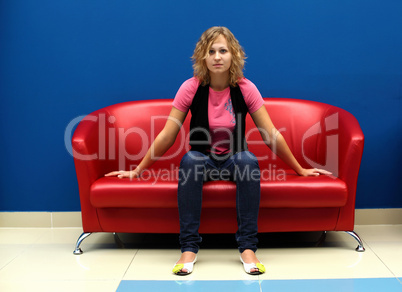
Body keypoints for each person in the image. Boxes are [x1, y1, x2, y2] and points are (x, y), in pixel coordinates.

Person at [105, 26, 331, 276]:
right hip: (203, 160)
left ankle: (248, 248)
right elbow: (168, 135)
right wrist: (137, 170)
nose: (217, 56)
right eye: (211, 51)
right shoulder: (191, 88)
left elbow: (270, 135)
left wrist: (299, 169)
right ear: (203, 56)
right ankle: (188, 249)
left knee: (248, 160)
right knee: (190, 160)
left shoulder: (245, 88)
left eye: (223, 50)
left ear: (233, 54)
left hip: (234, 160)